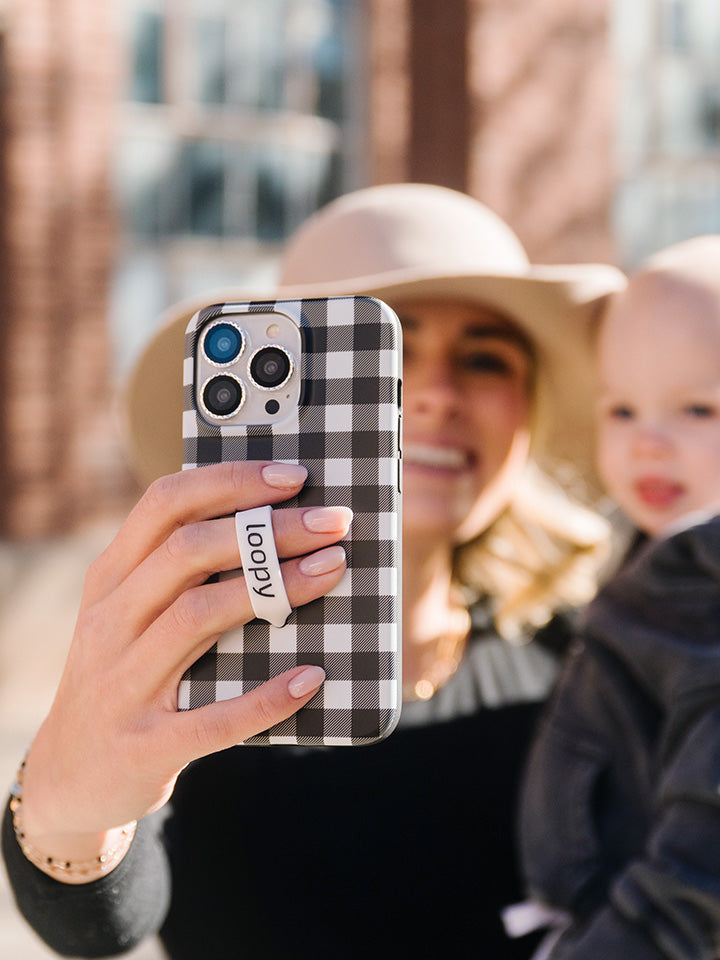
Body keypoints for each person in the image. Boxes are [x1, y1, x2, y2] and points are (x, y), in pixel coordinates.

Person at [2, 183, 624, 959]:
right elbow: (97, 921)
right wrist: (64, 815)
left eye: (484, 358)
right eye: (386, 353)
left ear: (528, 408)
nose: (434, 394)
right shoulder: (198, 651)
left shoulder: (590, 656)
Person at [514, 235, 720, 959]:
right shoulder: (654, 558)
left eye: (699, 410)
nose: (648, 444)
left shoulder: (704, 585)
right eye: (622, 410)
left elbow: (703, 872)